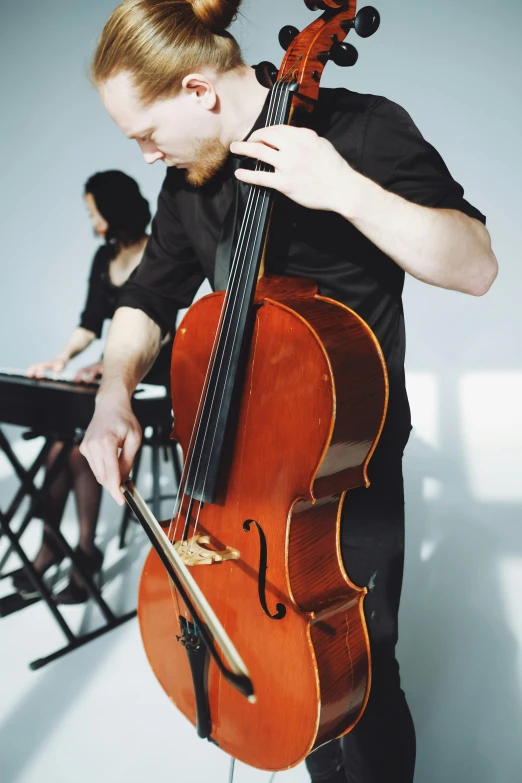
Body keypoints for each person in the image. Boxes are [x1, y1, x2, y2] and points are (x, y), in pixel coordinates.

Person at [79, 1, 498, 780]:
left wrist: (343, 188)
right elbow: (144, 299)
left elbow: (474, 264)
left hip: (343, 484)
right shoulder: (191, 181)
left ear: (199, 91)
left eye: (145, 132)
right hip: (234, 480)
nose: (143, 155)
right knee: (290, 686)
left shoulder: (363, 130)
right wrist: (111, 396)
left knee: (359, 684)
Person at [13, 170, 174, 605]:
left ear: (112, 209)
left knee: (83, 443)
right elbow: (89, 323)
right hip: (116, 372)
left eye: (93, 211)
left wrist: (110, 363)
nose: (91, 221)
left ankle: (84, 552)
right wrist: (63, 359)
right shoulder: (103, 259)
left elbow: (160, 329)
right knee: (59, 445)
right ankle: (54, 546)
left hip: (157, 379)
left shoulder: (159, 253)